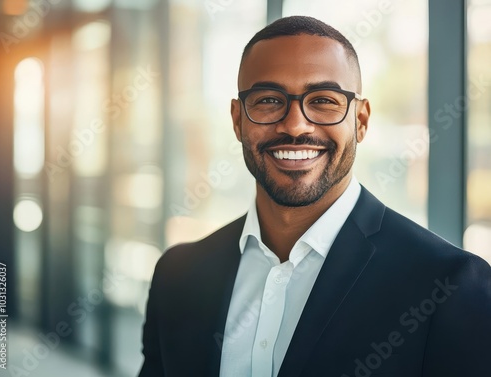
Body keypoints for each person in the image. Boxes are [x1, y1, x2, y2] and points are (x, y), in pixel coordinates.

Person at [138, 16, 491, 377]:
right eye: (269, 100)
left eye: (323, 100)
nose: (294, 125)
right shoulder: (177, 276)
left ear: (361, 120)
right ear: (237, 120)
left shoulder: (450, 286)